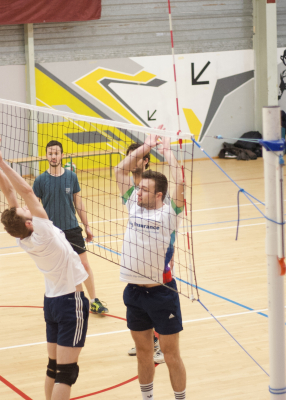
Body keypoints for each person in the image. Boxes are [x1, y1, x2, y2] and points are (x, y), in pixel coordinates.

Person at [0, 133, 89, 400]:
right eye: (24, 212)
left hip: (51, 303)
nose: (25, 209)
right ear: (28, 222)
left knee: (53, 367)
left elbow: (9, 192)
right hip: (70, 302)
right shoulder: (44, 230)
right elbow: (25, 191)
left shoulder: (24, 238)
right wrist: (2, 162)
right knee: (66, 373)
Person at [114, 129, 187, 400]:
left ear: (159, 195)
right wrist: (145, 147)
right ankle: (147, 398)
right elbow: (119, 170)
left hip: (161, 293)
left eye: (144, 188)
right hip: (133, 292)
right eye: (139, 187)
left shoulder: (170, 213)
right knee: (144, 354)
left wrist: (166, 151)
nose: (138, 191)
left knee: (170, 355)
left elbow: (179, 179)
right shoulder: (133, 203)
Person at [32, 140, 108, 315]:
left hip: (72, 228)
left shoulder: (71, 177)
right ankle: (68, 301)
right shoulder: (40, 180)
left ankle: (94, 300)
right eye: (50, 153)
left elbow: (78, 203)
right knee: (58, 269)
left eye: (56, 153)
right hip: (52, 232)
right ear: (46, 156)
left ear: (62, 155)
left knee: (84, 265)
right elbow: (35, 208)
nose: (53, 156)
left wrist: (87, 226)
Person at [123, 142, 165, 364]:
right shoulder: (132, 187)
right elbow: (120, 169)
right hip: (138, 252)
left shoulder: (155, 183)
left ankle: (159, 344)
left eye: (136, 157)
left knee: (157, 297)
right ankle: (148, 340)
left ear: (146, 160)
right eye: (128, 156)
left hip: (158, 251)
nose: (131, 160)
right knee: (140, 299)